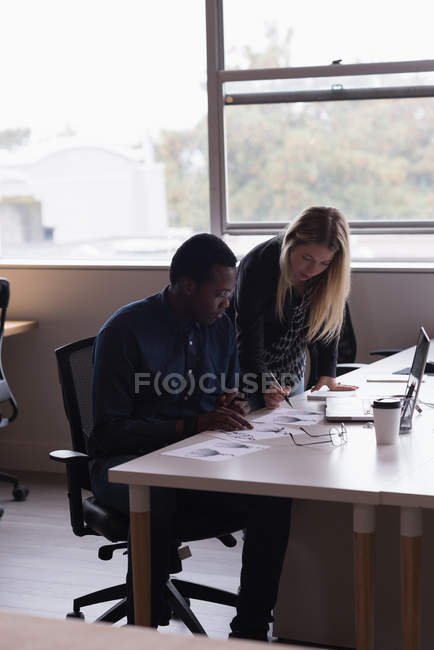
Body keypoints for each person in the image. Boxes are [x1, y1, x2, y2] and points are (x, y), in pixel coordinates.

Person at [88, 233, 292, 641]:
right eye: (219, 294)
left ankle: (250, 626)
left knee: (275, 495)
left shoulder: (219, 326)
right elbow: (108, 434)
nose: (227, 303)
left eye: (230, 293)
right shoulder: (125, 331)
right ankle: (144, 627)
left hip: (196, 456)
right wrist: (192, 426)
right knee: (157, 494)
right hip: (126, 464)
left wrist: (235, 404)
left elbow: (226, 390)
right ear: (186, 287)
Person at [235, 206, 357, 410]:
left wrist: (327, 372)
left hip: (292, 372)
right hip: (248, 368)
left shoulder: (327, 274)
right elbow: (247, 340)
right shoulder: (259, 264)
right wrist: (264, 384)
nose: (312, 270)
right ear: (291, 242)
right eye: (306, 258)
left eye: (324, 263)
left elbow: (329, 321)